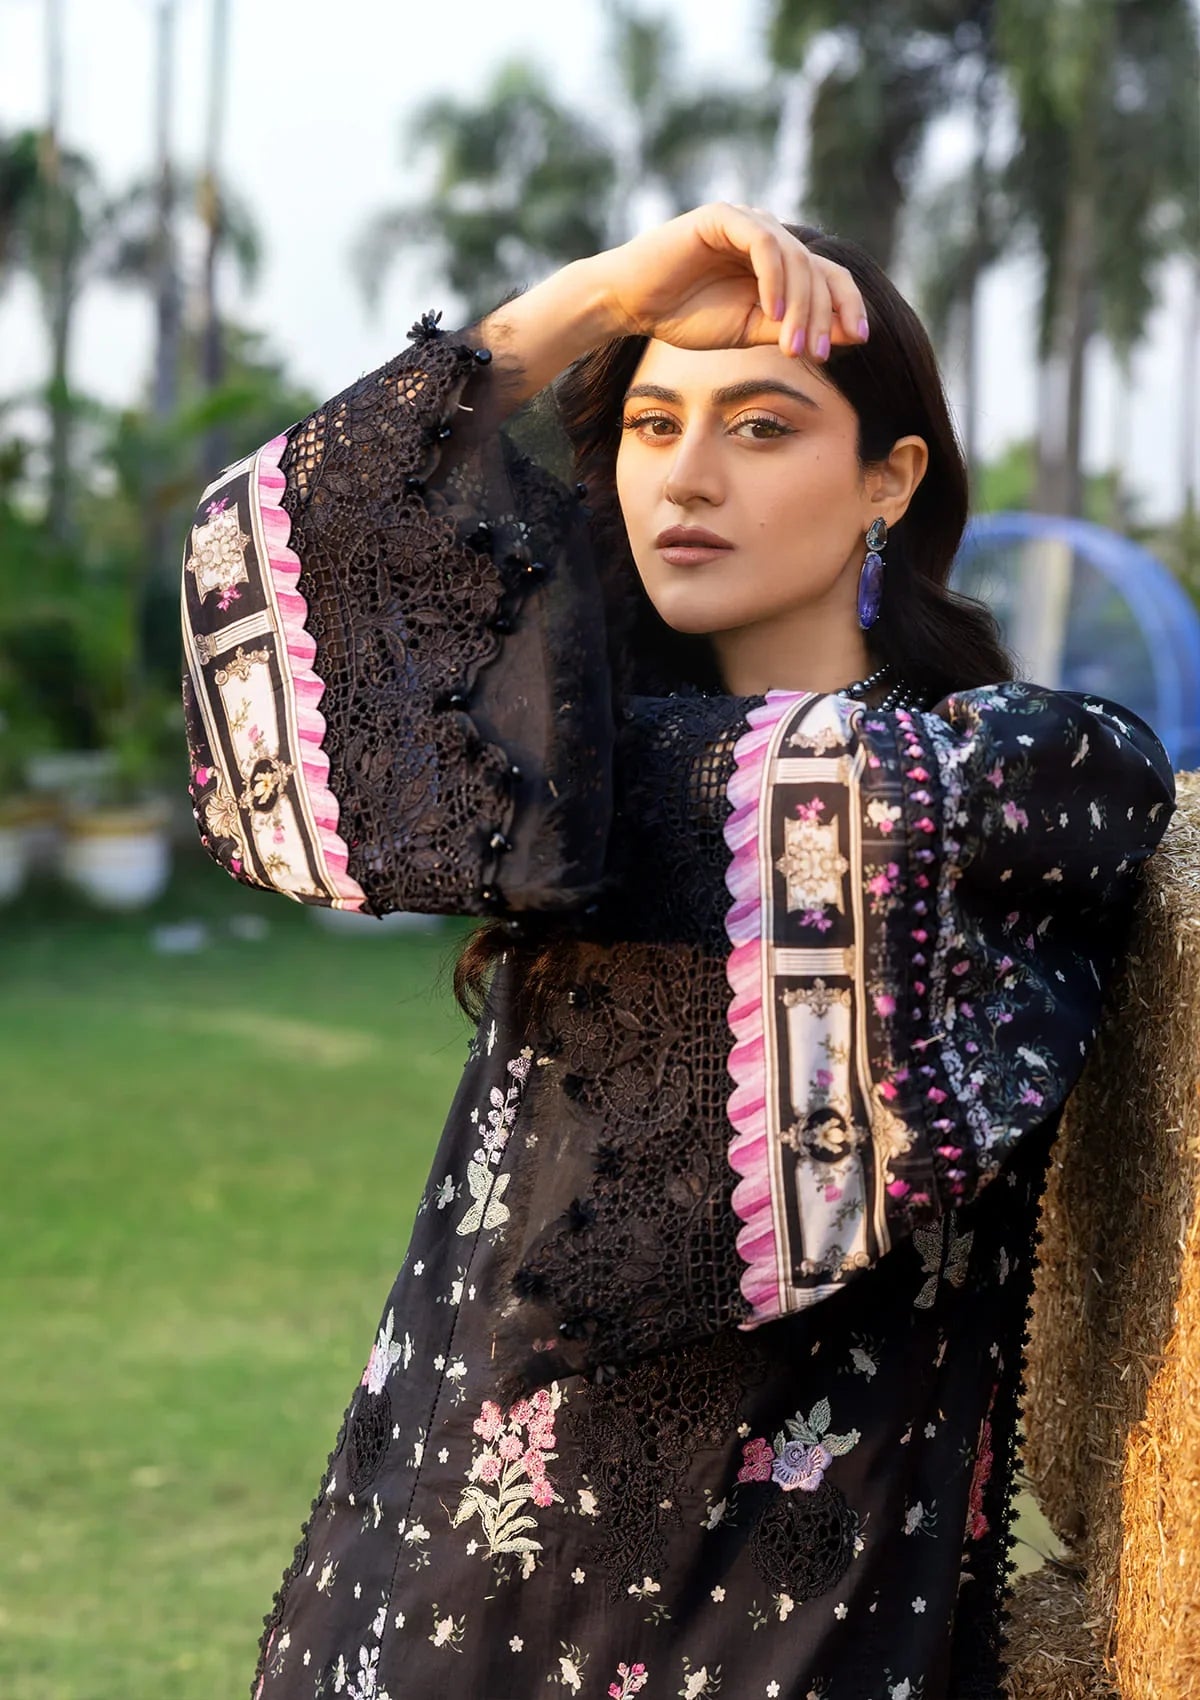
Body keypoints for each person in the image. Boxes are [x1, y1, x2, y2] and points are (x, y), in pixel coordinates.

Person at [180, 203, 1176, 1700]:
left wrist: (550, 735)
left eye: (762, 427)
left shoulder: (1009, 787)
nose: (688, 478)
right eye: (652, 425)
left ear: (890, 480)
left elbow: (864, 802)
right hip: (456, 1570)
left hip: (795, 1608)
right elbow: (269, 562)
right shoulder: (557, 784)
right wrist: (597, 295)